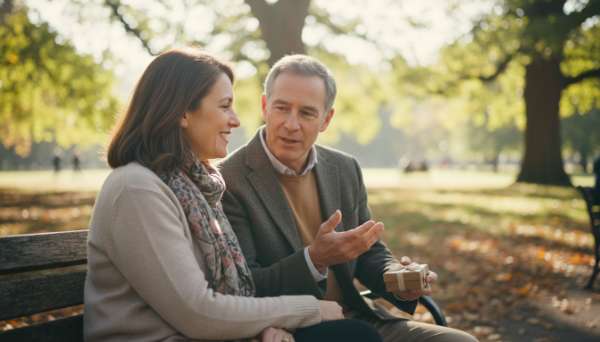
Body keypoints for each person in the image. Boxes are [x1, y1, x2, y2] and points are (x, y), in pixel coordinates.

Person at [84, 49, 383, 342]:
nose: (236, 120)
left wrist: (267, 326)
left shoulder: (191, 187)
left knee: (355, 335)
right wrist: (307, 311)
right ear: (183, 112)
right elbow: (198, 312)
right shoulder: (137, 189)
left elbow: (220, 295)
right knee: (355, 337)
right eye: (225, 106)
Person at [219, 55, 478, 342]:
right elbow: (246, 284)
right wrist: (313, 259)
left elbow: (367, 252)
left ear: (326, 119)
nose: (291, 124)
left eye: (307, 113)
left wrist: (397, 279)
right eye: (282, 108)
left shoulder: (344, 168)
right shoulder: (230, 180)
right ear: (265, 106)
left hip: (358, 317)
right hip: (289, 329)